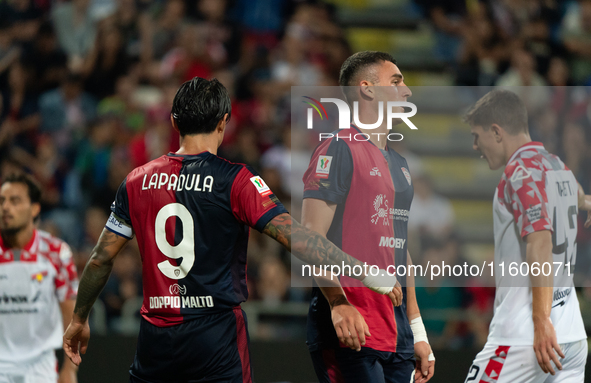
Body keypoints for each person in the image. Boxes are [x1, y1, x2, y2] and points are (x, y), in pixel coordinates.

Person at [62, 77, 401, 383]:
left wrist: (79, 318)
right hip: (215, 337)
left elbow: (99, 260)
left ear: (174, 122)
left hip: (156, 339)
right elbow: (297, 238)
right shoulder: (237, 180)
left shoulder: (136, 180)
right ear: (224, 122)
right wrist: (365, 272)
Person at [302, 51, 435, 383]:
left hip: (396, 331)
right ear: (367, 89)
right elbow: (309, 239)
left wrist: (417, 329)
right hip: (351, 326)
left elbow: (400, 249)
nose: (407, 91)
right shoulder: (338, 149)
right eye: (396, 81)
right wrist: (337, 303)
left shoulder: (401, 165)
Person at [463, 89, 589, 382]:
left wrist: (540, 320)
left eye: (476, 136)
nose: (474, 146)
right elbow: (579, 197)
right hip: (571, 338)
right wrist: (585, 203)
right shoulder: (557, 165)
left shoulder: (518, 173)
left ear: (496, 132)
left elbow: (540, 240)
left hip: (524, 338)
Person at [0, 174, 79, 383]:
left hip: (40, 369)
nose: (5, 207)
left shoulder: (56, 253)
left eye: (14, 201)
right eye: (1, 201)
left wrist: (69, 370)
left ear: (34, 209)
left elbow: (71, 315)